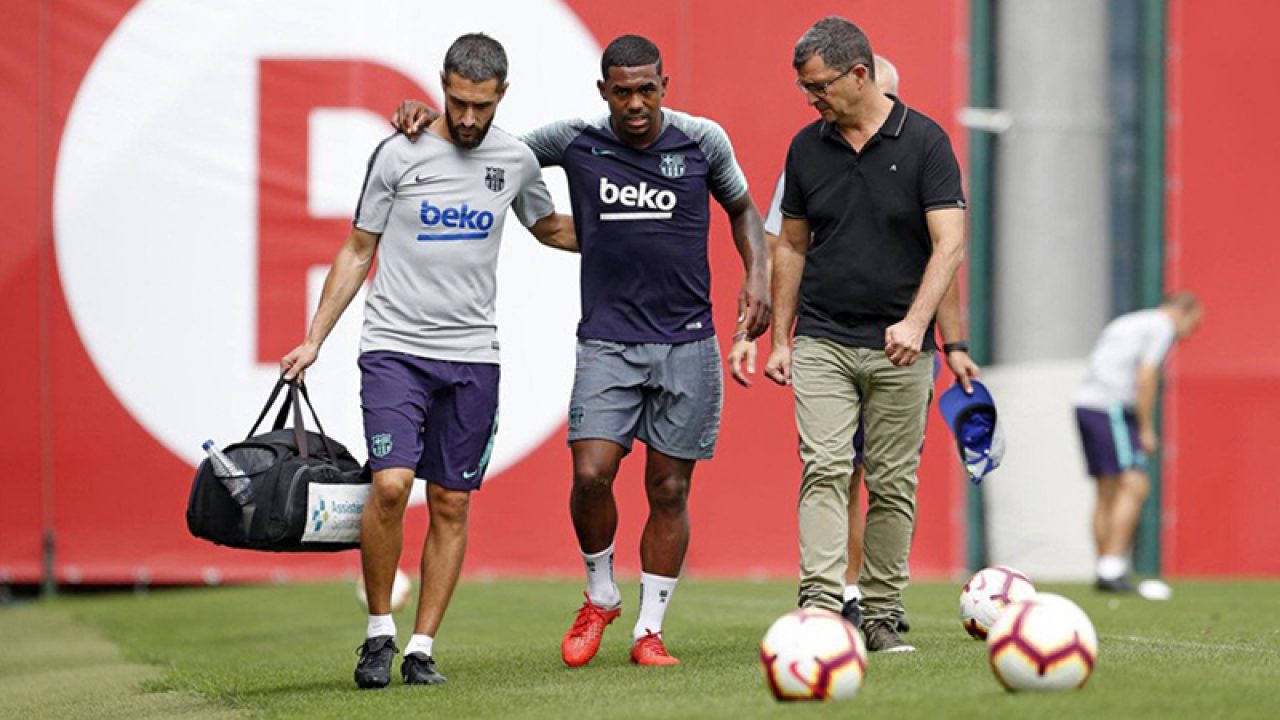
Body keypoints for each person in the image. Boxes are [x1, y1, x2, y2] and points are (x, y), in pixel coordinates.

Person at [394, 34, 769, 667]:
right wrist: (431, 120)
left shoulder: (703, 140)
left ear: (664, 86)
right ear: (604, 91)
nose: (636, 103)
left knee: (668, 488)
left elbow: (744, 211)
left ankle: (649, 631)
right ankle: (600, 594)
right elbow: (490, 147)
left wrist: (757, 276)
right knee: (592, 473)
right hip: (607, 341)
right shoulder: (575, 141)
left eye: (646, 90)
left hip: (687, 341)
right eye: (622, 92)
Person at [280, 33, 577, 690]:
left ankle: (420, 648)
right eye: (458, 102)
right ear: (443, 85)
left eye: (482, 106)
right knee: (390, 486)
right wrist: (315, 338)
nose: (468, 118)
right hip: (394, 348)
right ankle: (377, 633)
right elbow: (358, 248)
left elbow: (548, 227)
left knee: (450, 502)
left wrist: (635, 236)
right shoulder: (398, 152)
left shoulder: (516, 160)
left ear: (503, 94)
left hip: (473, 358)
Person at [732, 54, 979, 633]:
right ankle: (824, 605)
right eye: (806, 87)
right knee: (827, 468)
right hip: (824, 338)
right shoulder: (806, 148)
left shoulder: (927, 145)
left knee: (889, 482)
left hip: (902, 347)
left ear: (861, 79)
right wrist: (777, 338)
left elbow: (946, 251)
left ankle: (881, 611)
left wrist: (945, 339)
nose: (811, 98)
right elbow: (786, 244)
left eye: (819, 86)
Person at [1073, 292, 1202, 596]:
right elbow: (1146, 377)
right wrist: (1145, 428)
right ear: (1183, 313)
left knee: (1107, 490)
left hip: (1086, 404)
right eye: (1193, 325)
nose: (1188, 334)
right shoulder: (1162, 327)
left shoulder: (1130, 321)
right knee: (1135, 484)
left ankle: (1105, 567)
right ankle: (1112, 568)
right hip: (1112, 408)